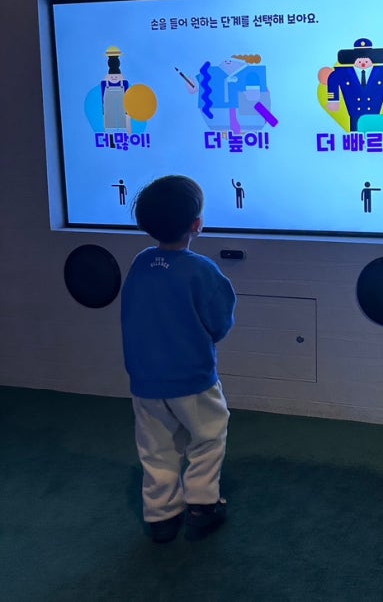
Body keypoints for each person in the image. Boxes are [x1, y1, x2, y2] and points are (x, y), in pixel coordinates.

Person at [121, 175, 237, 543]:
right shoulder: (202, 270)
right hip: (192, 377)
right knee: (208, 436)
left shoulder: (140, 263)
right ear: (196, 224)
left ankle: (161, 516)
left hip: (145, 381)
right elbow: (220, 321)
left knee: (156, 447)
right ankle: (202, 505)